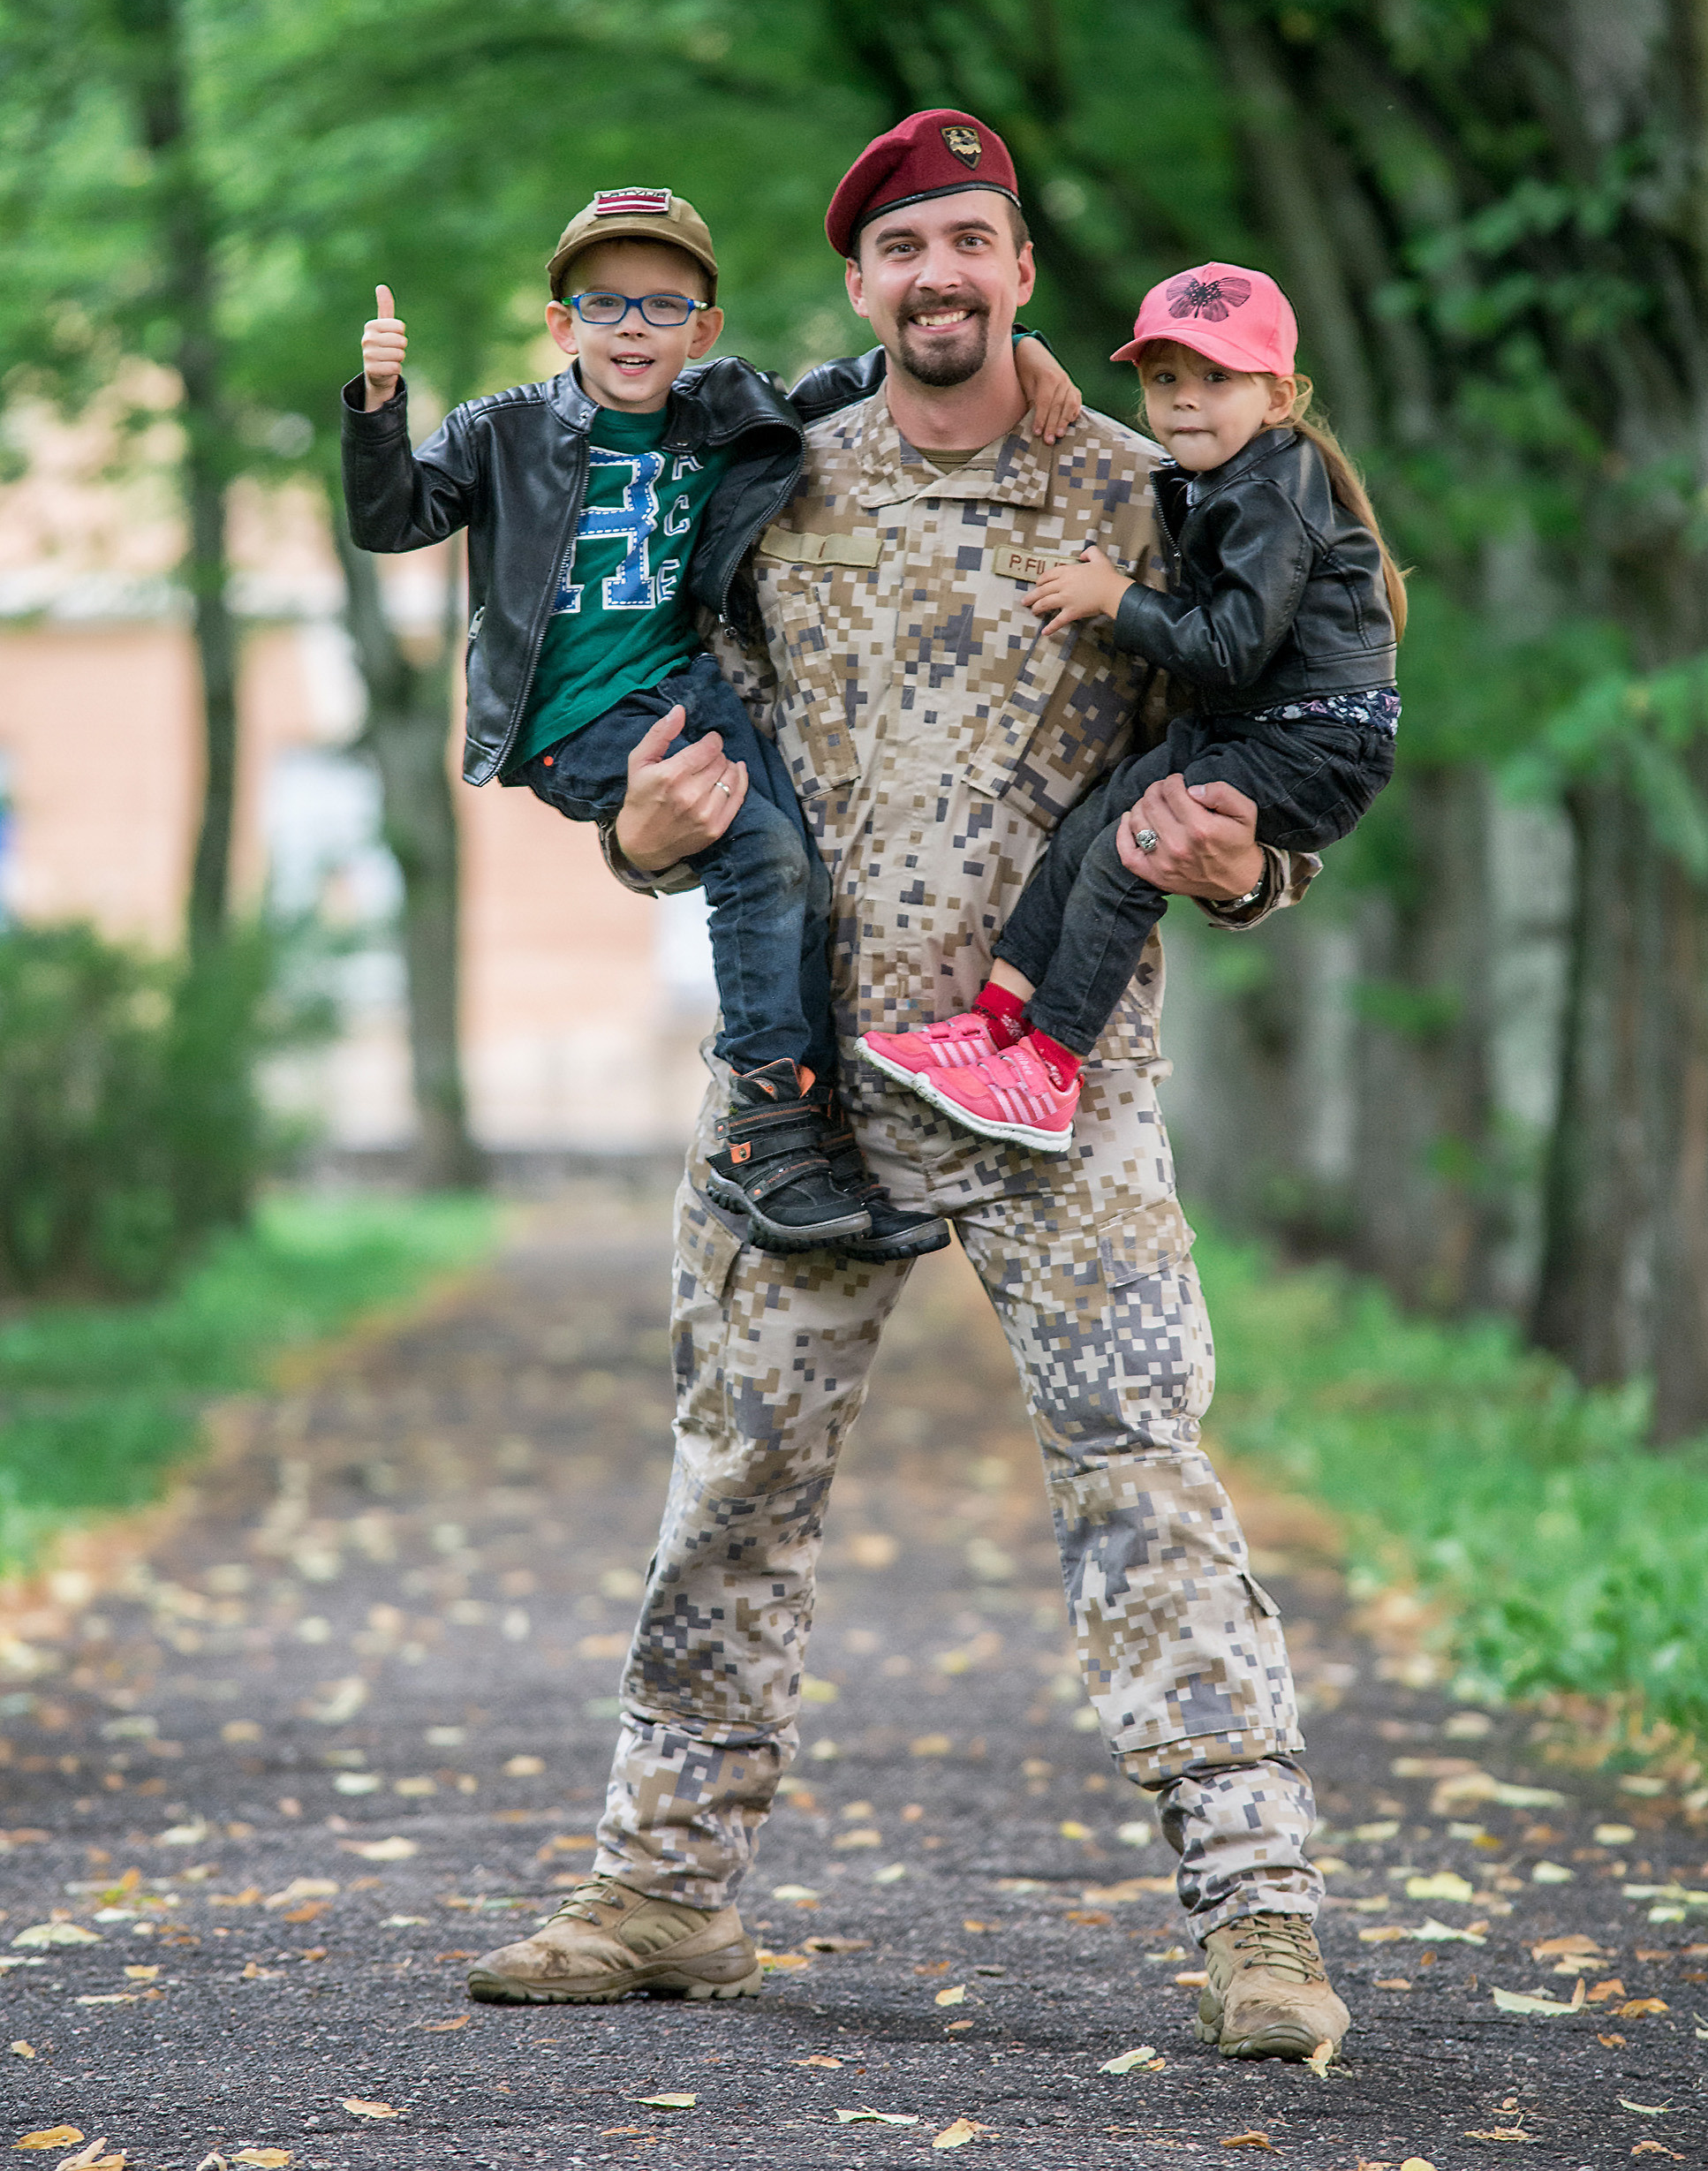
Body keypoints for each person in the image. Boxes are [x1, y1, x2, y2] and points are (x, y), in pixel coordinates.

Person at [465, 110, 1353, 2067]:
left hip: (1060, 1095)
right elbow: (663, 726)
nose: (936, 276)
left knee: (1145, 1484)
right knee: (735, 1479)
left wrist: (1252, 871)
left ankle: (1258, 1916)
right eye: (898, 250)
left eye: (969, 239)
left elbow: (1263, 760)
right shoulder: (767, 480)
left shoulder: (1160, 497)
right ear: (857, 285)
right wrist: (635, 839)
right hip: (807, 1079)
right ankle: (663, 1890)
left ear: (1021, 265)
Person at [340, 185, 1076, 1258]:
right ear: (561, 326)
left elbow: (864, 372)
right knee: (762, 856)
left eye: (660, 306)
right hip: (574, 716)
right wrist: (375, 405)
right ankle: (761, 1138)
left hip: (686, 687)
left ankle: (808, 1151)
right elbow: (391, 516)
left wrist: (1031, 350)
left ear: (703, 328)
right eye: (602, 305)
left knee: (801, 878)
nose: (631, 327)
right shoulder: (500, 431)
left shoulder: (725, 407)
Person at [861, 262, 1402, 1153]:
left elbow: (1228, 646)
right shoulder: (1223, 475)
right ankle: (998, 1019)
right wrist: (1026, 350)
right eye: (1163, 379)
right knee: (1088, 824)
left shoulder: (1268, 495)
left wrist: (1115, 599)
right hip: (1250, 731)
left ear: (1277, 396)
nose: (1184, 401)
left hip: (1313, 746)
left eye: (1214, 377)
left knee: (1129, 849)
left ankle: (1047, 1068)